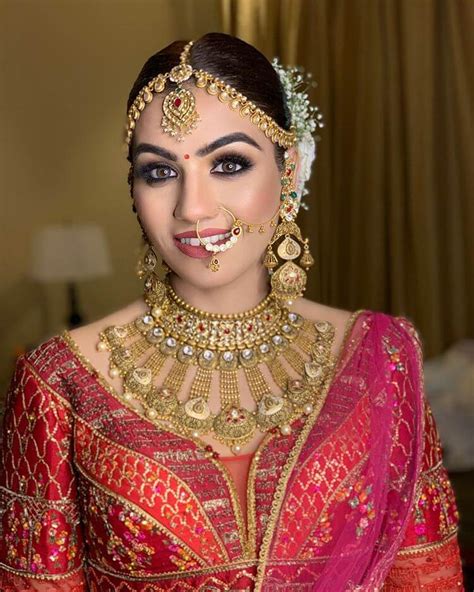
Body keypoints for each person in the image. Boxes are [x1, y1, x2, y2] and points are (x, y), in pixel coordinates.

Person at [0, 32, 464, 591]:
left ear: (288, 170)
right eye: (160, 171)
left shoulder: (382, 359)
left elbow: (428, 578)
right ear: (134, 189)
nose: (193, 209)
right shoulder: (58, 383)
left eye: (228, 163)